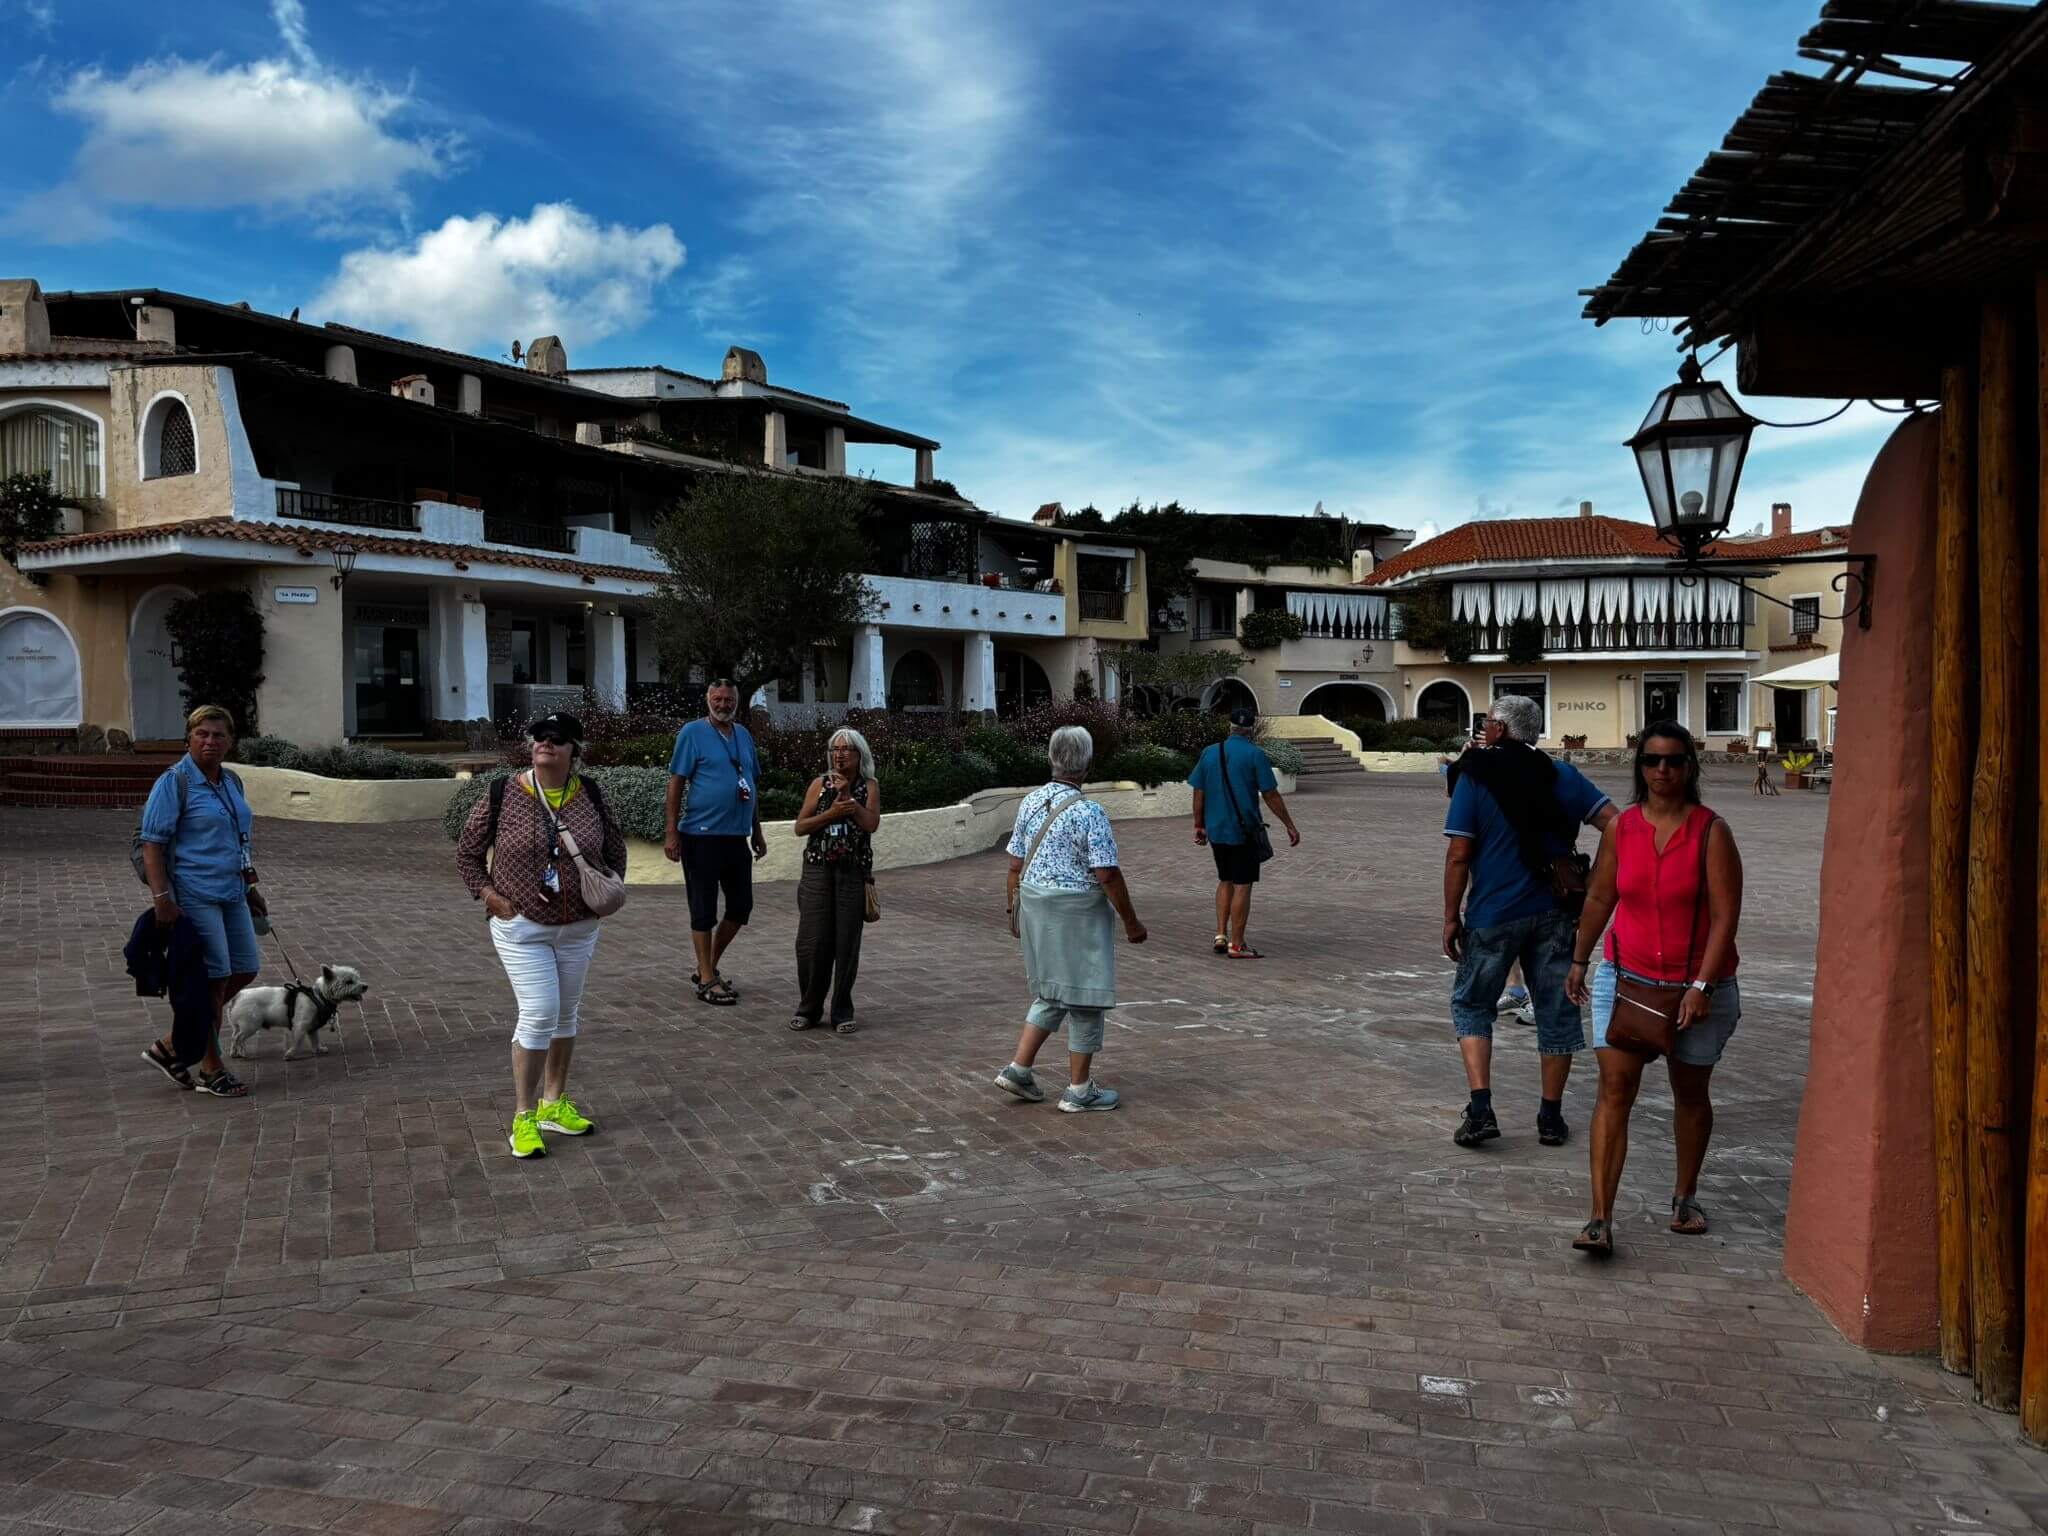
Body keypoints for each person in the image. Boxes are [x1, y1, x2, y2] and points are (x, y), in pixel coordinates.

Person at [1565, 722, 1744, 1256]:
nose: (1662, 770)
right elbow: (1601, 897)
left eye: (1673, 761)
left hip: (1696, 989)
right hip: (1627, 979)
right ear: (1640, 767)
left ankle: (1685, 1196)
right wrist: (1580, 959)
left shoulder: (1711, 832)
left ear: (1690, 767)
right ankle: (1599, 1218)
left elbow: (1725, 917)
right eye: (1652, 760)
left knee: (1689, 1092)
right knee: (1614, 1090)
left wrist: (1702, 985)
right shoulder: (1622, 829)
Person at [1442, 693, 1618, 1149]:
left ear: (1499, 729)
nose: (1484, 729)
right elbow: (1617, 825)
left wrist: (1450, 916)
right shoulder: (1563, 775)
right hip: (1555, 912)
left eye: (1488, 722)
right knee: (1557, 1011)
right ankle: (1550, 1117)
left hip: (1492, 912)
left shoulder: (1476, 775)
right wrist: (1592, 879)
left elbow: (1459, 854)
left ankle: (1480, 1109)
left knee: (1472, 1005)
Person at [457, 713, 627, 1159]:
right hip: (522, 928)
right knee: (540, 1013)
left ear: (574, 750)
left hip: (579, 929)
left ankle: (553, 1104)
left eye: (557, 738)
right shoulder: (503, 792)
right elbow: (468, 854)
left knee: (566, 1014)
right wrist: (492, 898)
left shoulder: (591, 794)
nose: (545, 743)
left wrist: (603, 898)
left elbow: (615, 852)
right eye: (539, 736)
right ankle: (523, 1116)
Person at [994, 726, 1147, 1112]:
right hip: (1076, 911)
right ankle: (1079, 1090)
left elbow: (1014, 864)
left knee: (1051, 991)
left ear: (1051, 759)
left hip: (1035, 904)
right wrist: (1131, 921)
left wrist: (1013, 910)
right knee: (1086, 996)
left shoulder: (1031, 802)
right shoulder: (1090, 811)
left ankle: (1019, 1069)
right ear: (1088, 765)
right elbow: (1106, 873)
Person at [137, 704, 263, 1097]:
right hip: (195, 893)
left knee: (245, 968)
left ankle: (173, 1045)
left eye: (218, 735)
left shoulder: (231, 781)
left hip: (233, 890)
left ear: (230, 741)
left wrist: (251, 886)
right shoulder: (174, 782)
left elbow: (239, 838)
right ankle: (210, 1068)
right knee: (213, 979)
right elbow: (152, 844)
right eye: (202, 734)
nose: (210, 741)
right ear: (188, 738)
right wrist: (162, 899)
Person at [664, 678, 767, 1005]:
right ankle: (708, 978)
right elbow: (676, 783)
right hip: (700, 836)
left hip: (737, 837)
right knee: (703, 909)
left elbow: (750, 784)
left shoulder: (743, 735)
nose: (723, 705)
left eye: (729, 700)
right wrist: (671, 832)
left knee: (741, 907)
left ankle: (706, 966)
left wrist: (757, 831)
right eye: (718, 699)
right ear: (708, 700)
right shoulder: (692, 733)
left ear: (737, 701)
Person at [790, 727, 882, 1035]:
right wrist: (831, 813)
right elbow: (801, 827)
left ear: (859, 755)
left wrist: (848, 799)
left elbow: (871, 824)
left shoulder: (869, 786)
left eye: (846, 750)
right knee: (811, 942)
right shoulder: (819, 784)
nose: (840, 755)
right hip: (817, 870)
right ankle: (809, 1008)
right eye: (835, 750)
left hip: (851, 872)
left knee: (846, 944)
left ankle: (842, 1010)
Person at [1187, 707, 1300, 958]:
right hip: (1243, 830)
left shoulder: (1210, 752)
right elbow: (1270, 794)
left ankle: (1220, 934)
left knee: (1225, 879)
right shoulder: (1255, 754)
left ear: (1230, 727)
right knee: (1243, 885)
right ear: (1251, 729)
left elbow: (1198, 791)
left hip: (1216, 829)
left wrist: (1199, 824)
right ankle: (1237, 945)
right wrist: (1289, 825)